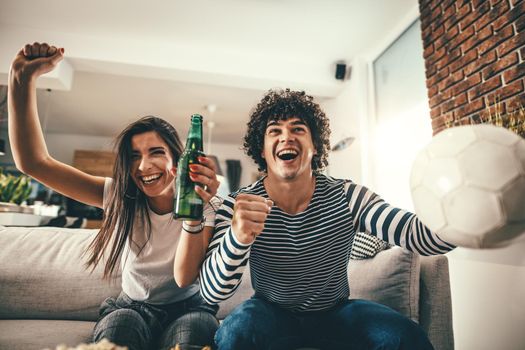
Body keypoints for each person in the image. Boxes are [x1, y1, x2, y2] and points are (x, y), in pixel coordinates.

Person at [196, 89, 455, 350]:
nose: (286, 136)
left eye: (298, 129)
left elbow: (416, 235)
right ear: (262, 150)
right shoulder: (238, 204)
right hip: (269, 313)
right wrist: (237, 238)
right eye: (274, 131)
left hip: (335, 313)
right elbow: (212, 292)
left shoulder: (348, 196)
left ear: (315, 145)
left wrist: (467, 220)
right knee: (236, 333)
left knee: (405, 338)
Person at [8, 42, 221, 350]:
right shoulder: (119, 195)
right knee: (119, 330)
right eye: (134, 156)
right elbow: (33, 162)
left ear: (179, 158)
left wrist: (195, 210)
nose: (144, 166)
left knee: (194, 333)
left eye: (156, 152)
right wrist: (22, 79)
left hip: (190, 309)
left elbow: (186, 277)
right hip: (131, 308)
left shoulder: (205, 205)